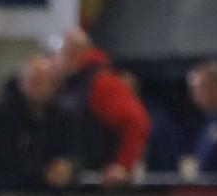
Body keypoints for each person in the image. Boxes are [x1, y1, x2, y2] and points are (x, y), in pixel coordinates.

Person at [54, 28, 149, 185]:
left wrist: (121, 165)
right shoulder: (72, 83)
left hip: (96, 185)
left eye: (59, 53)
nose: (56, 60)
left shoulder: (101, 83)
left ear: (71, 53)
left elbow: (137, 121)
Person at [0, 55, 78, 189]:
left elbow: (75, 148)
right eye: (35, 81)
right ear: (22, 82)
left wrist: (68, 165)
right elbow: (0, 158)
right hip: (10, 189)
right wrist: (42, 172)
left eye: (47, 82)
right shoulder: (1, 113)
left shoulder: (64, 115)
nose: (40, 88)